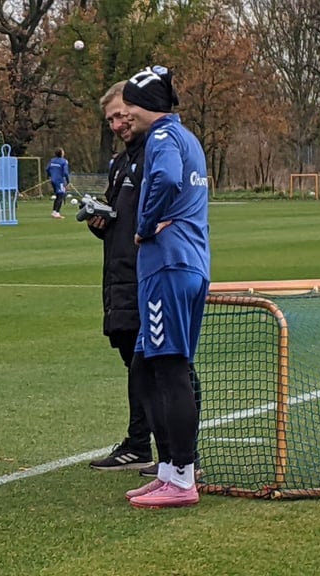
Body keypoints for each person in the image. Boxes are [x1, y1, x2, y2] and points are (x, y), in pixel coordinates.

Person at [119, 65, 210, 509]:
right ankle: (170, 470)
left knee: (169, 368)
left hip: (168, 266)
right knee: (144, 367)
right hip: (188, 264)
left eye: (129, 107)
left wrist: (144, 225)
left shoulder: (162, 138)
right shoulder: (187, 136)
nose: (125, 116)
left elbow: (168, 178)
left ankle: (183, 477)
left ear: (146, 106)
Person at [85, 81, 155, 473]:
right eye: (110, 120)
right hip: (120, 276)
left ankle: (182, 454)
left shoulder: (157, 153)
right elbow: (119, 218)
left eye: (119, 116)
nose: (116, 125)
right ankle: (140, 443)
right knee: (135, 362)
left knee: (163, 363)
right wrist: (100, 220)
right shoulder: (121, 161)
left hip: (147, 276)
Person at [46, 148, 70, 219]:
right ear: (61, 153)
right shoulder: (64, 161)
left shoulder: (52, 160)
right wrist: (68, 181)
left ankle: (54, 211)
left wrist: (49, 176)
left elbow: (47, 169)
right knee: (61, 196)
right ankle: (57, 213)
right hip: (59, 181)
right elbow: (66, 172)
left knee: (58, 196)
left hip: (53, 180)